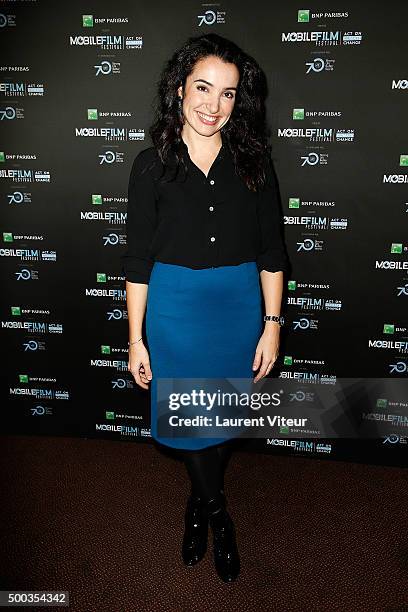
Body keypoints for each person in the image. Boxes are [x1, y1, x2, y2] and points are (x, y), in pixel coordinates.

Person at [120, 33, 289, 583]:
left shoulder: (255, 165)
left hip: (239, 310)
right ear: (178, 88)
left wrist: (271, 327)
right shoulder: (150, 166)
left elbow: (272, 254)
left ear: (241, 101)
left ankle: (199, 502)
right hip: (174, 313)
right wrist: (135, 337)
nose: (213, 105)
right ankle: (218, 514)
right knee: (189, 422)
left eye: (229, 94)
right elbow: (138, 259)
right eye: (203, 88)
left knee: (219, 419)